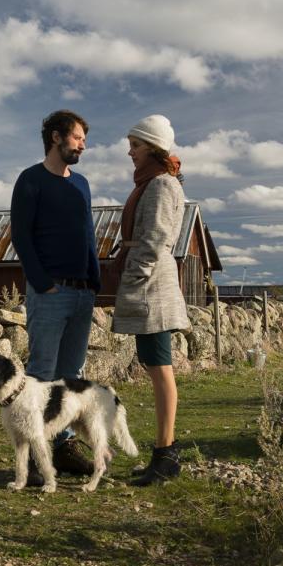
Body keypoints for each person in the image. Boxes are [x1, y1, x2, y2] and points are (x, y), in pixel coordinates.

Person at [10, 109, 101, 485]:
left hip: (82, 293)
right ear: (56, 138)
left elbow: (88, 234)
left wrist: (94, 281)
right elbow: (21, 235)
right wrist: (41, 282)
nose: (83, 144)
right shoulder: (30, 181)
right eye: (78, 137)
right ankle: (31, 458)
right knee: (41, 375)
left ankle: (61, 446)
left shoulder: (81, 184)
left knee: (71, 378)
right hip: (50, 293)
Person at [112, 114, 189, 486]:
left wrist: (135, 275)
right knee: (155, 365)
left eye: (136, 145)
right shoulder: (154, 182)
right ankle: (164, 452)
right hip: (149, 285)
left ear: (154, 147)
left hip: (152, 289)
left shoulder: (160, 185)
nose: (130, 151)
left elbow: (156, 239)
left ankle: (165, 454)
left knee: (160, 369)